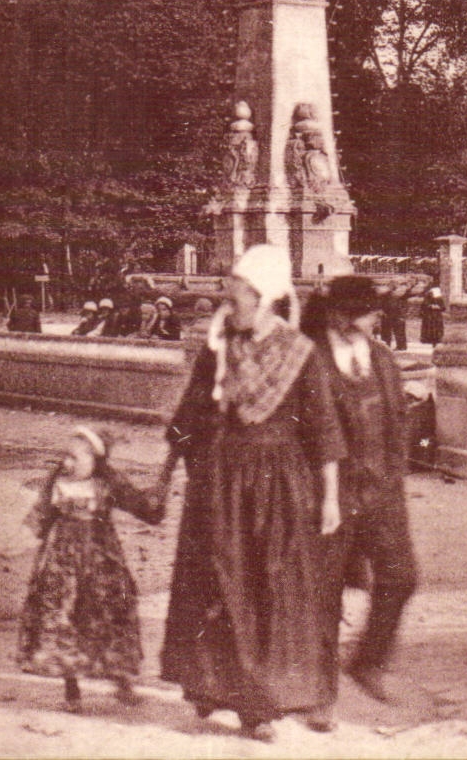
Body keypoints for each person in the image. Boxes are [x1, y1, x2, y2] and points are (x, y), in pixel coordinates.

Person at [157, 244, 346, 742]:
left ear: (262, 296)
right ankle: (214, 686)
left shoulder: (300, 353)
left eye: (235, 293)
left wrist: (329, 497)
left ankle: (260, 705)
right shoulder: (218, 347)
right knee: (218, 584)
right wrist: (170, 468)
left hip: (277, 488)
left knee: (267, 589)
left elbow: (323, 429)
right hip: (219, 483)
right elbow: (190, 412)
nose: (227, 301)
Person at [310, 275, 418, 722]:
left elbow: (398, 421)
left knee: (402, 576)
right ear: (342, 317)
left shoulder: (382, 358)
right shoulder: (310, 357)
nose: (377, 317)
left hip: (382, 492)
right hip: (328, 494)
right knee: (323, 590)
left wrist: (393, 476)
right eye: (370, 311)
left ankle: (369, 661)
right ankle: (318, 688)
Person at [18, 426, 165, 713]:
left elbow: (143, 507)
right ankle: (71, 691)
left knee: (110, 614)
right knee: (65, 617)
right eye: (65, 456)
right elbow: (41, 513)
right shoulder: (58, 480)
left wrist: (158, 494)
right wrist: (18, 539)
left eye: (74, 457)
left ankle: (122, 681)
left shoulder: (107, 482)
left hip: (101, 560)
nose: (67, 463)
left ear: (94, 460)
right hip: (62, 561)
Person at [378, 283, 408, 350]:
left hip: (395, 315)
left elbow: (403, 306)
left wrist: (402, 315)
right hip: (388, 315)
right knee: (387, 331)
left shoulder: (399, 296)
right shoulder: (385, 296)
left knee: (397, 331)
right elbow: (381, 305)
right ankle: (388, 346)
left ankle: (400, 346)